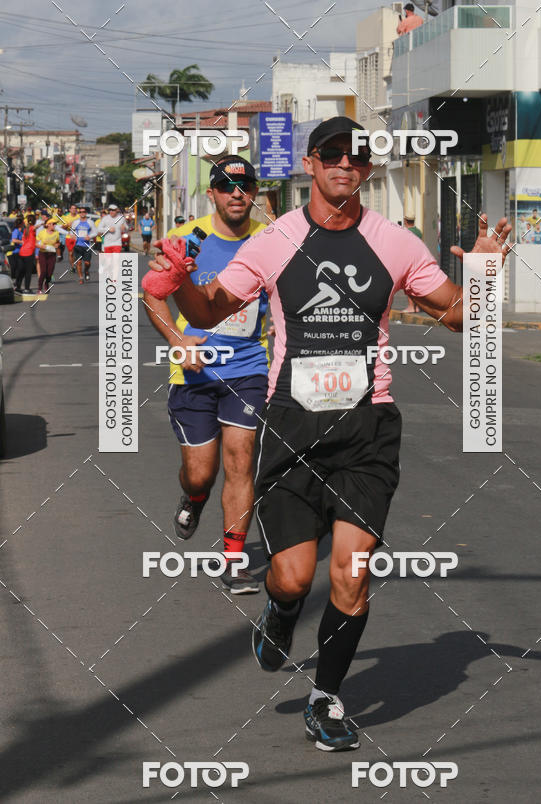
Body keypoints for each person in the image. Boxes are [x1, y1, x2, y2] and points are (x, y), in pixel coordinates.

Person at [145, 115, 513, 751]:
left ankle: (327, 699)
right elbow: (210, 311)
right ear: (310, 164)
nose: (346, 164)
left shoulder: (395, 242)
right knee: (290, 576)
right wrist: (176, 281)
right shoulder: (275, 240)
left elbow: (455, 317)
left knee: (352, 575)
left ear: (367, 169)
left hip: (368, 429)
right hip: (291, 424)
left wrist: (484, 277)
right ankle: (281, 611)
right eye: (333, 154)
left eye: (358, 156)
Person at [143, 155, 270, 595]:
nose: (237, 193)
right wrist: (177, 342)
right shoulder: (186, 239)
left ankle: (234, 560)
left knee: (241, 457)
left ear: (254, 193)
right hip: (194, 371)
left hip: (249, 366)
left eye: (245, 186)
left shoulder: (270, 240)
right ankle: (194, 498)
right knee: (201, 473)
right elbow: (153, 295)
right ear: (212, 193)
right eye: (227, 186)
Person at [71, 206, 96, 284]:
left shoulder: (90, 222)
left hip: (87, 246)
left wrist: (90, 236)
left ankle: (86, 271)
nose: (82, 213)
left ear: (86, 213)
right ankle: (81, 278)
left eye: (83, 212)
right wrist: (73, 235)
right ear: (79, 213)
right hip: (78, 245)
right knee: (78, 262)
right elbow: (71, 231)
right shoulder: (76, 222)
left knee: (87, 263)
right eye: (80, 212)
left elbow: (95, 232)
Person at [36, 215, 59, 293]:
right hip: (43, 253)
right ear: (48, 225)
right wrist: (41, 246)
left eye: (55, 224)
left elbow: (58, 242)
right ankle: (39, 288)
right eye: (53, 224)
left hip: (52, 254)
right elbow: (35, 243)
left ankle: (46, 283)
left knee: (50, 272)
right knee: (43, 271)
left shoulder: (56, 233)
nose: (54, 225)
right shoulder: (42, 233)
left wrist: (57, 245)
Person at [14, 214, 37, 293]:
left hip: (22, 252)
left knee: (21, 271)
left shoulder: (25, 229)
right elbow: (34, 228)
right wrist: (43, 224)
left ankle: (17, 286)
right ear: (34, 221)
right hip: (29, 252)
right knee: (28, 272)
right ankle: (27, 288)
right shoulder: (32, 229)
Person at [62, 203, 80, 271]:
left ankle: (77, 263)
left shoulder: (79, 217)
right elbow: (63, 227)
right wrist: (67, 225)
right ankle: (72, 266)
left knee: (76, 252)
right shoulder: (66, 217)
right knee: (71, 253)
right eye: (72, 208)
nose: (74, 210)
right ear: (70, 210)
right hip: (69, 237)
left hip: (77, 237)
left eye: (75, 208)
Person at [8, 215, 24, 281]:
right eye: (23, 223)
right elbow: (14, 240)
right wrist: (22, 242)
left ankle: (17, 283)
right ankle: (15, 283)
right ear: (20, 224)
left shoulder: (21, 231)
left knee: (20, 268)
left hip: (20, 252)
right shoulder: (16, 231)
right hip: (14, 252)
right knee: (18, 268)